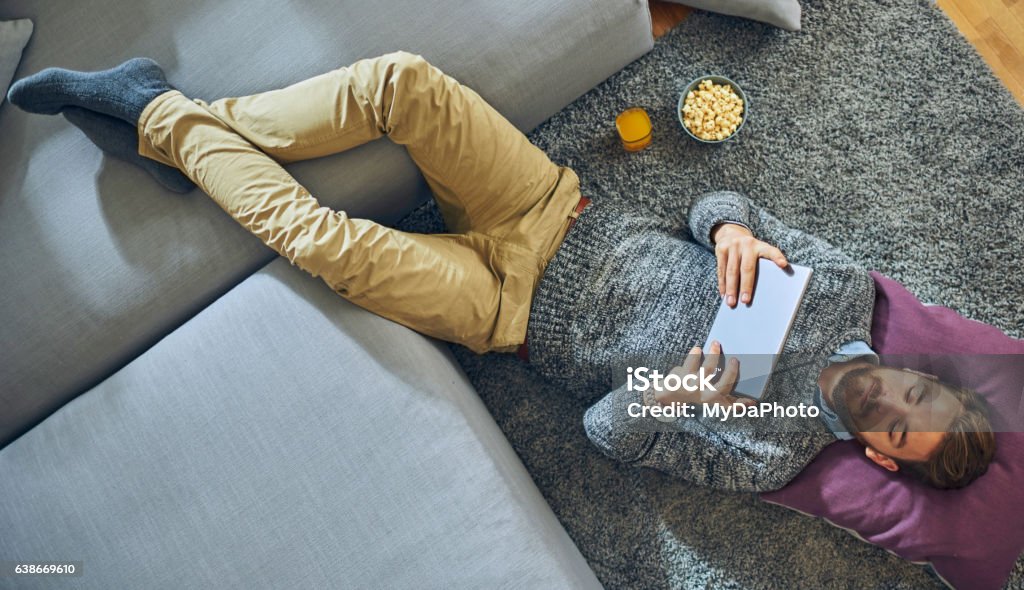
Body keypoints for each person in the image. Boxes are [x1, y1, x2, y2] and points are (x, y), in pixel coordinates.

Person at [7, 51, 995, 492]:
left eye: (900, 433)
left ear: (878, 457)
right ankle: (173, 124)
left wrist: (671, 389)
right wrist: (734, 231)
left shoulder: (769, 451)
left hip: (505, 310)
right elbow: (715, 206)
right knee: (405, 83)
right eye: (917, 394)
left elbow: (606, 436)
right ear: (921, 373)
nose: (890, 404)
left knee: (323, 244)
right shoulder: (840, 292)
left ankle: (160, 116)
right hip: (553, 206)